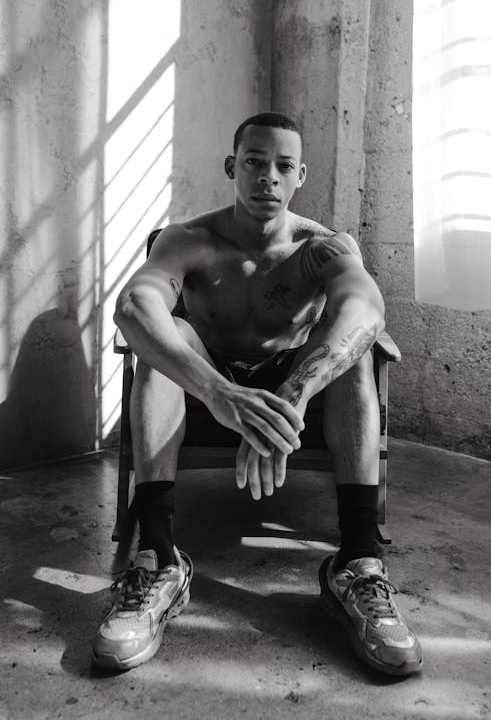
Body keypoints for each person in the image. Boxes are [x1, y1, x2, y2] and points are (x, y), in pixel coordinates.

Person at [92, 112, 422, 676]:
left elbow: (366, 309)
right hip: (207, 380)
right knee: (163, 343)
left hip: (292, 381)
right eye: (254, 162)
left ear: (300, 176)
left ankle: (360, 563)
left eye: (283, 166)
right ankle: (158, 560)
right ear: (232, 167)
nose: (268, 176)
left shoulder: (323, 247)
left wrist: (291, 396)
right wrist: (221, 395)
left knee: (356, 351)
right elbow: (133, 305)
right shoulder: (188, 240)